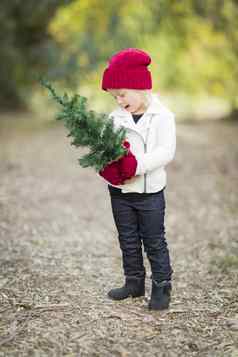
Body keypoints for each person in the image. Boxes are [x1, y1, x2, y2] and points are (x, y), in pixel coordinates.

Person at [99, 48, 176, 310]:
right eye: (114, 96)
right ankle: (133, 281)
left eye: (122, 94)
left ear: (139, 87)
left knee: (154, 239)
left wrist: (137, 165)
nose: (119, 101)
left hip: (149, 191)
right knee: (128, 238)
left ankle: (162, 285)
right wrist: (106, 166)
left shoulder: (162, 116)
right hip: (120, 191)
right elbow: (106, 148)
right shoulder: (115, 118)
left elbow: (166, 151)